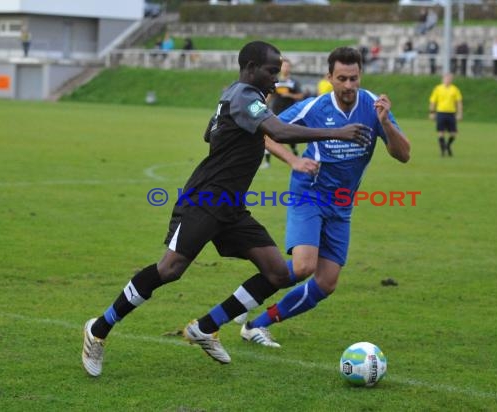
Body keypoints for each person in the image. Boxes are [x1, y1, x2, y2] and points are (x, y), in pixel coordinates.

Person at [81, 41, 372, 376]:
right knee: (170, 269)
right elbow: (276, 131)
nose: (276, 79)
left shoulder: (238, 96)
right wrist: (337, 132)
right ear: (250, 66)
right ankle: (98, 330)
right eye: (271, 71)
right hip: (205, 199)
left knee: (277, 272)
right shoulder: (244, 96)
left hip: (231, 207)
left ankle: (206, 327)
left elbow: (209, 133)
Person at [235, 46, 410, 348]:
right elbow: (267, 134)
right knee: (303, 265)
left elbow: (403, 154)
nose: (348, 85)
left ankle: (256, 325)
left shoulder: (373, 106)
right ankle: (246, 297)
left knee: (326, 283)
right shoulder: (315, 107)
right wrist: (293, 160)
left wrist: (385, 124)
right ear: (329, 77)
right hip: (309, 193)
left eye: (354, 78)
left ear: (360, 76)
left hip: (342, 204)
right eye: (341, 78)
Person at [262, 58, 305, 168]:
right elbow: (270, 95)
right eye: (283, 66)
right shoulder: (275, 81)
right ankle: (267, 163)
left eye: (287, 66)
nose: (285, 68)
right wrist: (263, 104)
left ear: (290, 68)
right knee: (269, 136)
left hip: (290, 113)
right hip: (275, 112)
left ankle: (295, 155)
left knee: (290, 137)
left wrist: (289, 95)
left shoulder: (294, 82)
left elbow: (300, 96)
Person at [428, 73, 463, 157]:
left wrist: (460, 113)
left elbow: (459, 102)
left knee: (453, 133)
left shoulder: (455, 89)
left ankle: (448, 145)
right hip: (441, 112)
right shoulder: (438, 89)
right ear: (443, 79)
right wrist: (432, 112)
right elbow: (433, 101)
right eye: (446, 78)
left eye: (449, 78)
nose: (448, 80)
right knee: (441, 132)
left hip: (451, 113)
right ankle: (442, 150)